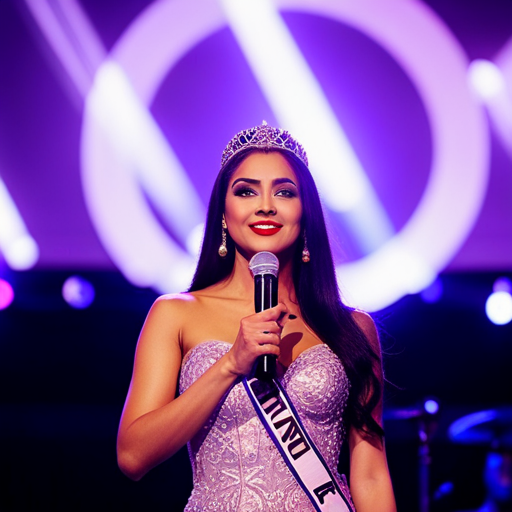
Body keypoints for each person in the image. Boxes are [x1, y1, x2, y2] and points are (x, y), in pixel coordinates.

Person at [117, 124, 397, 511]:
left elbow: (370, 473)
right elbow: (133, 456)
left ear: (306, 213)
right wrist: (231, 364)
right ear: (223, 212)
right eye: (246, 191)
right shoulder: (176, 313)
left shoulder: (352, 329)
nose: (266, 205)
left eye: (284, 192)